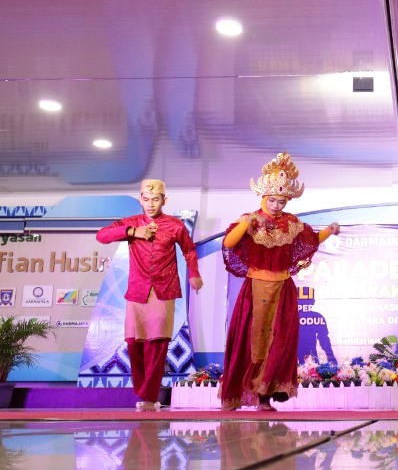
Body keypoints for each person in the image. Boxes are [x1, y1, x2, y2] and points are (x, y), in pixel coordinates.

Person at [220, 152, 340, 411]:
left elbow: (309, 242)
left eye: (282, 201)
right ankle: (240, 393)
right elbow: (229, 244)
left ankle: (266, 395)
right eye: (272, 199)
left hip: (283, 288)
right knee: (252, 341)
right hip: (256, 288)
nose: (276, 205)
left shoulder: (292, 224)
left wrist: (328, 232)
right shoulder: (250, 219)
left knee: (280, 341)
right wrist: (244, 224)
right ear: (263, 197)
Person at [96, 179, 203, 412]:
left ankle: (148, 397)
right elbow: (102, 235)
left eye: (156, 199)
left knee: (157, 344)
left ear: (165, 200)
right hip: (137, 290)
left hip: (164, 291)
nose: (151, 204)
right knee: (134, 344)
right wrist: (134, 232)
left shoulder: (175, 225)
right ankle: (145, 392)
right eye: (146, 199)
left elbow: (189, 250)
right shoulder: (132, 223)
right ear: (140, 200)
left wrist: (194, 273)